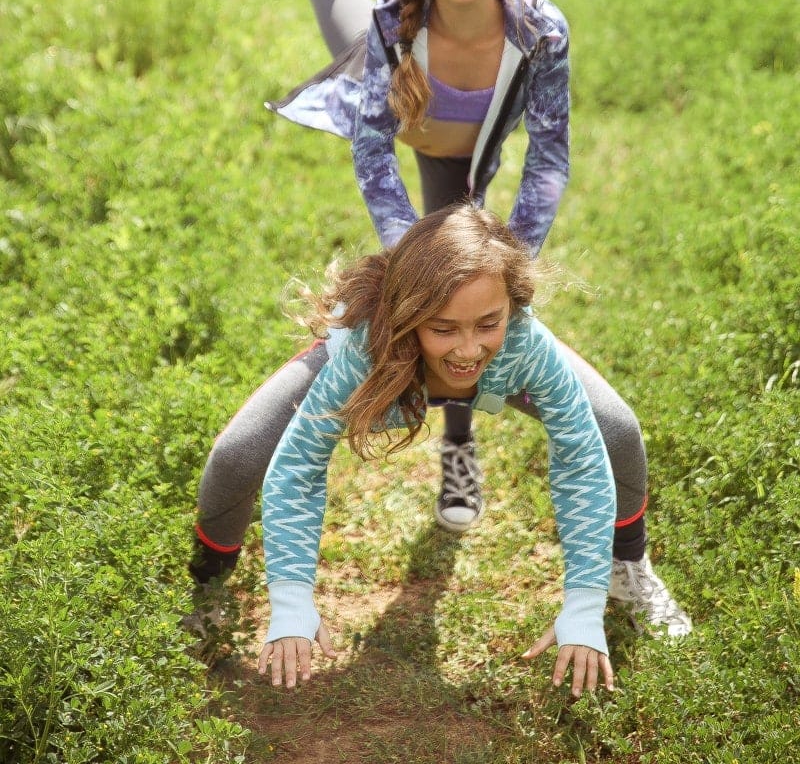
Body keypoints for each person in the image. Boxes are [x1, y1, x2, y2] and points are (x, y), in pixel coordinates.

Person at [211, 0, 689, 636]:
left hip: (470, 155)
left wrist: (505, 267)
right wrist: (412, 263)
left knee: (472, 320)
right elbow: (368, 151)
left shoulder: (540, 30)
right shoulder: (393, 26)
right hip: (405, 130)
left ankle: (462, 451)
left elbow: (548, 156)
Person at [237, 205, 620, 695]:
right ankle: (207, 589)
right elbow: (299, 465)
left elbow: (582, 459)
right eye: (443, 328)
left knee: (619, 434)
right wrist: (291, 599)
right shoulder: (363, 350)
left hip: (496, 377)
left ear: (512, 309)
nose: (466, 348)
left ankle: (627, 572)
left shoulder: (524, 343)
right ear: (410, 317)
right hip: (386, 367)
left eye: (488, 322)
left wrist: (584, 604)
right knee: (237, 454)